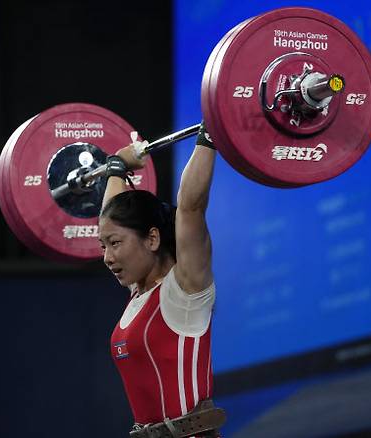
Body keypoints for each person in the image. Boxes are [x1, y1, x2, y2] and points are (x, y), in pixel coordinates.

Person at [99, 123, 224, 436]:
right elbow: (112, 217)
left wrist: (211, 134)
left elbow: (191, 207)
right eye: (104, 246)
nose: (107, 257)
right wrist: (116, 167)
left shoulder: (185, 292)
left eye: (114, 245)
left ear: (152, 239)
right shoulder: (138, 293)